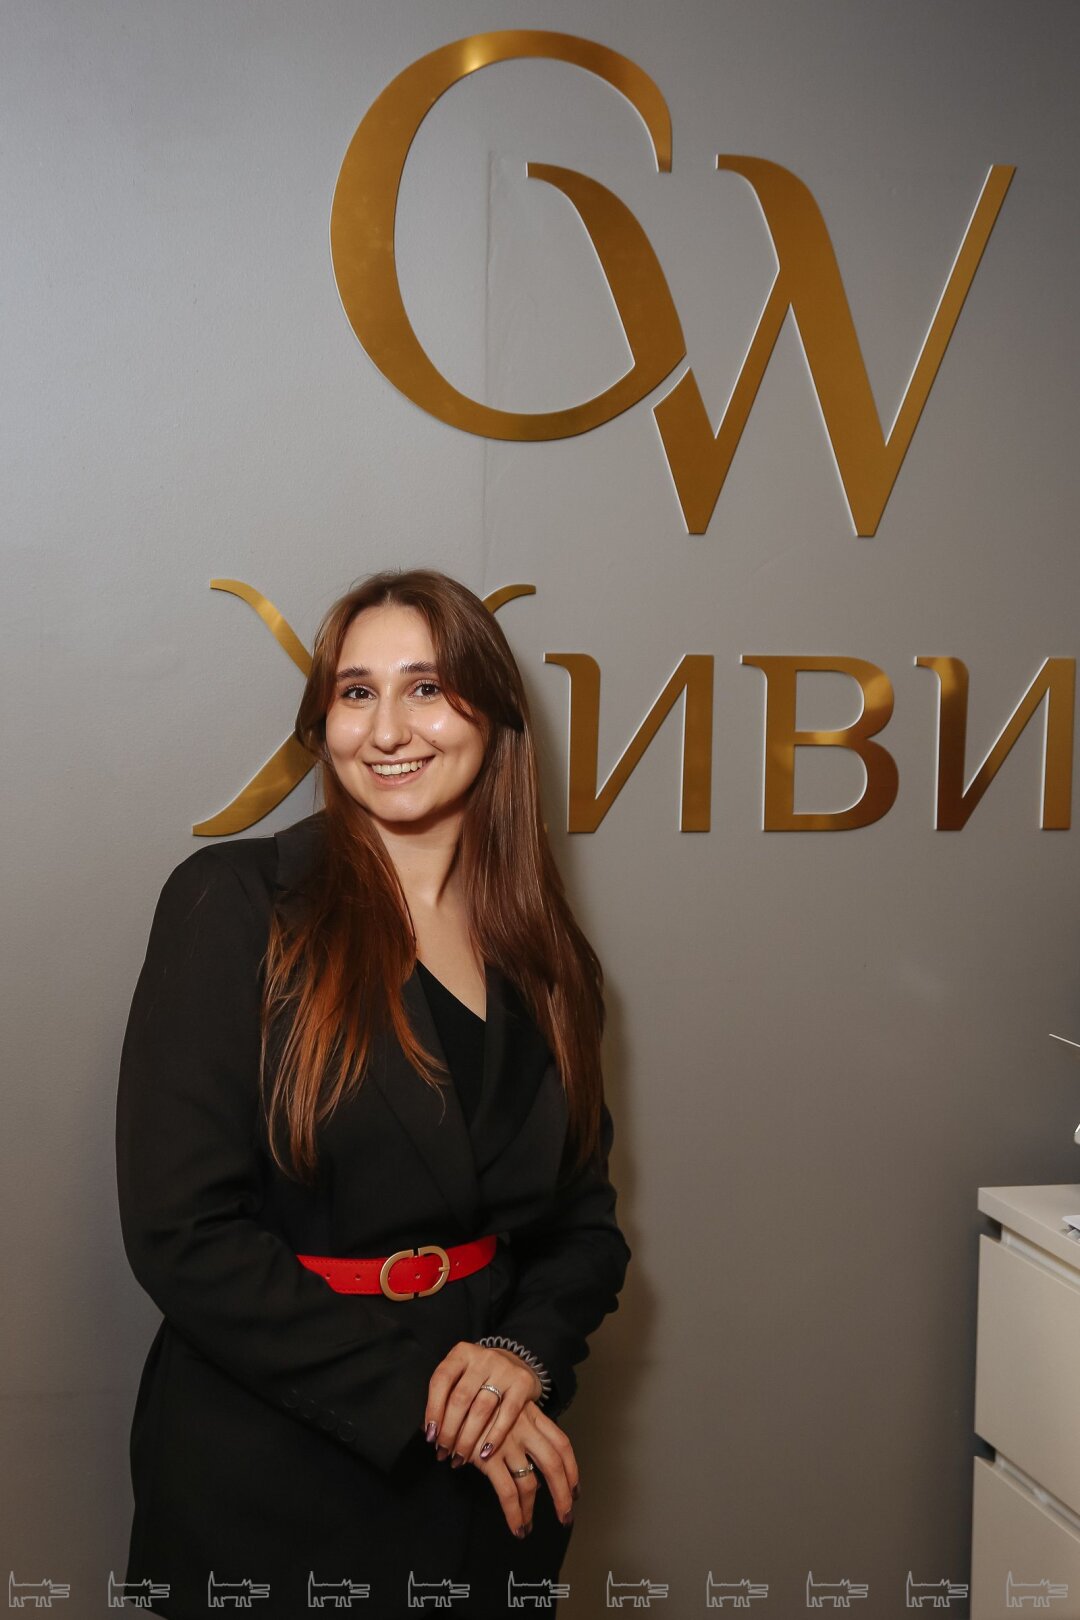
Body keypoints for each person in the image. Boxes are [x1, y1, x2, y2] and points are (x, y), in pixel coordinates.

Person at [114, 567, 631, 1618]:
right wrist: (433, 1407)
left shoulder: (549, 956)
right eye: (356, 692)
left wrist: (520, 1358)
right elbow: (182, 1233)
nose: (388, 729)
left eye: (426, 688)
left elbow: (585, 1230)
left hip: (490, 1487)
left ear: (493, 715)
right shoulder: (234, 902)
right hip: (268, 1470)